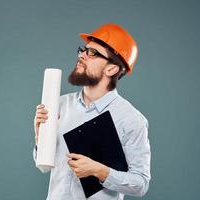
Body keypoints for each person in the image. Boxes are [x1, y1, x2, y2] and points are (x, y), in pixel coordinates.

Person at [33, 23, 151, 200]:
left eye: (92, 53)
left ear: (111, 69)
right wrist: (40, 139)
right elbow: (43, 166)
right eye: (83, 50)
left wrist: (100, 171)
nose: (82, 55)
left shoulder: (131, 120)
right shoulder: (59, 105)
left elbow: (140, 183)